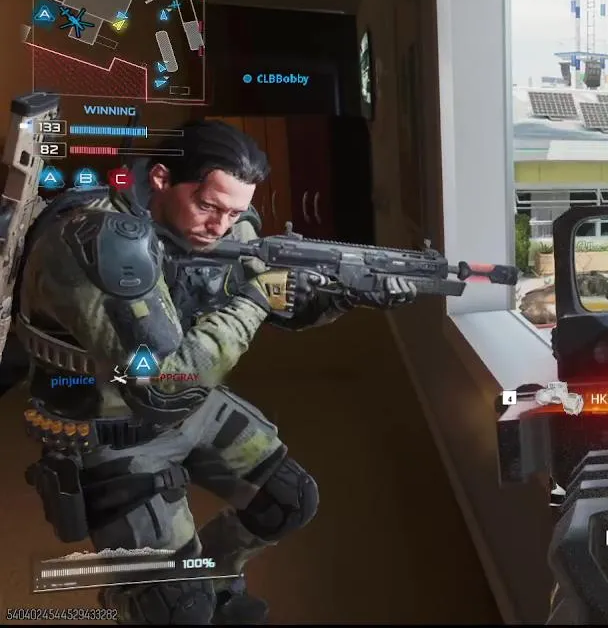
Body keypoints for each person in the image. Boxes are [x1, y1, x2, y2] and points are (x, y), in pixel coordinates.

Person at [13, 120, 415, 624]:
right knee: (175, 612)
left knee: (285, 501)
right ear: (161, 178)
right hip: (108, 425)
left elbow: (278, 301)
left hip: (191, 406)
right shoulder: (99, 246)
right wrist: (257, 298)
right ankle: (136, 601)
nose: (221, 227)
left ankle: (214, 581)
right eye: (208, 206)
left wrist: (340, 294)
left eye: (235, 213)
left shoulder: (220, 222)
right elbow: (165, 386)